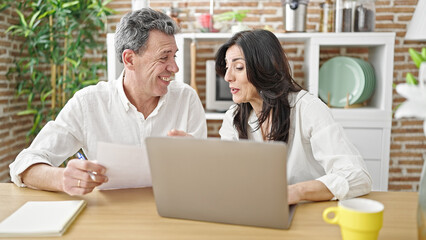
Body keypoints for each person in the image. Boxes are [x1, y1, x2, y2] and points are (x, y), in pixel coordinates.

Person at [9, 8, 207, 196]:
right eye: (164, 58)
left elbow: (205, 177)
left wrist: (197, 161)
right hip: (109, 218)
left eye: (174, 56)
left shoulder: (186, 99)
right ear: (129, 59)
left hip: (171, 212)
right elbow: (25, 164)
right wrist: (63, 179)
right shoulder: (89, 103)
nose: (174, 68)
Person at [216, 29, 371, 205]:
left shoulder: (308, 109)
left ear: (264, 67)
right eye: (227, 67)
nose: (227, 77)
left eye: (238, 67)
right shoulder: (233, 117)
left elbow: (358, 176)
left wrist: (296, 192)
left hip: (310, 213)